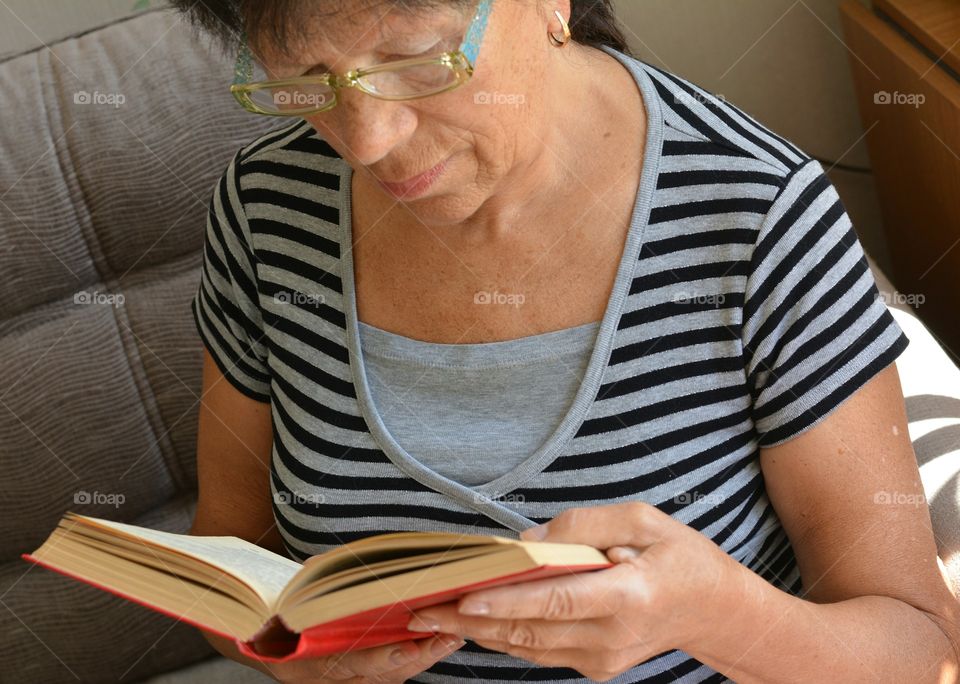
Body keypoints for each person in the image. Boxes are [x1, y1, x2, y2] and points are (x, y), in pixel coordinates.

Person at [170, 0, 960, 682]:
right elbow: (233, 557)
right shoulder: (265, 211)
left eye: (415, 62)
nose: (367, 139)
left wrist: (716, 615)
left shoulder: (755, 219)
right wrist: (288, 650)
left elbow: (921, 652)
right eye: (306, 78)